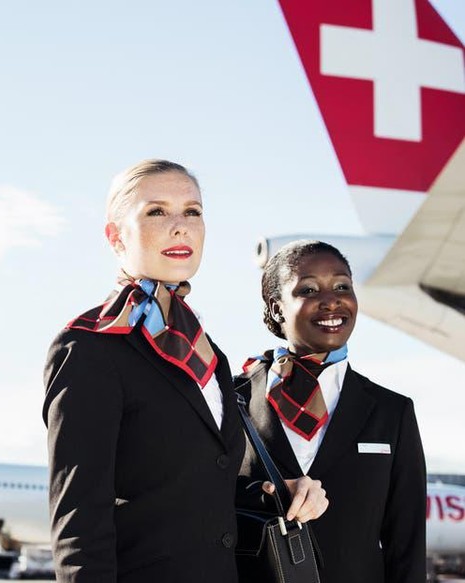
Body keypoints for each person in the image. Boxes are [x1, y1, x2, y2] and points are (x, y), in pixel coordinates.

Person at [42, 160, 327, 582]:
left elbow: (198, 482)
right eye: (157, 211)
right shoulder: (89, 347)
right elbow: (78, 519)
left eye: (192, 211)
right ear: (116, 236)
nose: (181, 226)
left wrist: (278, 492)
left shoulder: (210, 355)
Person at [237, 239, 426, 583]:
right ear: (277, 308)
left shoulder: (392, 411)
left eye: (342, 286)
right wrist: (267, 495)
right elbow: (201, 503)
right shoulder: (233, 399)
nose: (331, 300)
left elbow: (407, 543)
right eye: (308, 289)